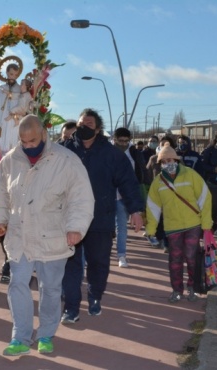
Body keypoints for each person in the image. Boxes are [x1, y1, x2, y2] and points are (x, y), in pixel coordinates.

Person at [0, 114, 94, 356]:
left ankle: (46, 333)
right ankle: (20, 336)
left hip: (53, 233)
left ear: (44, 134)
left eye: (33, 141)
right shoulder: (9, 161)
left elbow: (80, 197)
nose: (28, 146)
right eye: (23, 142)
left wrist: (76, 228)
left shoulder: (66, 160)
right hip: (20, 234)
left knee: (50, 288)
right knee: (17, 284)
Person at [61, 109, 144, 324]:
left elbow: (128, 182)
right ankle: (71, 308)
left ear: (98, 129)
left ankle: (95, 296)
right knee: (70, 264)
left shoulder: (111, 154)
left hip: (100, 218)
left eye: (88, 124)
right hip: (70, 219)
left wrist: (135, 210)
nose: (83, 128)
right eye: (80, 123)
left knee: (99, 263)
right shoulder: (65, 151)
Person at [145, 143, 212, 303]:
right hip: (172, 226)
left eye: (171, 160)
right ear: (160, 163)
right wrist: (151, 229)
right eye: (164, 161)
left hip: (193, 225)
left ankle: (192, 288)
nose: (168, 163)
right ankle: (176, 290)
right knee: (175, 259)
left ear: (177, 160)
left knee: (191, 257)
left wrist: (206, 224)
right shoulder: (158, 182)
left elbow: (205, 198)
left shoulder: (191, 175)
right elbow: (153, 207)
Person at [113, 127, 150, 268]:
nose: (123, 144)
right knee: (104, 228)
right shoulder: (108, 152)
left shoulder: (134, 153)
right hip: (110, 196)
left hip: (126, 196)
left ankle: (121, 255)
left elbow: (140, 172)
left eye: (126, 141)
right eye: (120, 141)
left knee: (121, 226)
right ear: (115, 139)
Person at [145, 135, 176, 251]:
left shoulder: (178, 160)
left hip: (172, 194)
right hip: (157, 194)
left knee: (168, 219)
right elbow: (147, 175)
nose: (164, 147)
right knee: (158, 218)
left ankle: (167, 243)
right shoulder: (153, 159)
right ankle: (159, 237)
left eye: (167, 145)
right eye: (162, 144)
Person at [0, 63, 24, 153]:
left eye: (16, 75)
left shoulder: (20, 90)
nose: (13, 77)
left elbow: (24, 109)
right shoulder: (0, 90)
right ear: (7, 73)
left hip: (14, 128)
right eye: (11, 74)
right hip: (1, 127)